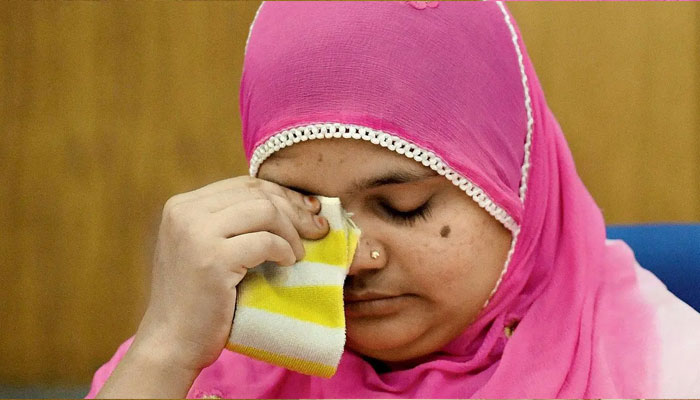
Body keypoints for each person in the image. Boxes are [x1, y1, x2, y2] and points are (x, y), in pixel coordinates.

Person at [88, 1, 700, 398]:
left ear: (516, 189)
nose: (355, 258)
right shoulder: (222, 363)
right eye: (306, 207)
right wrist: (165, 348)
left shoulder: (656, 371)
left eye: (405, 205)